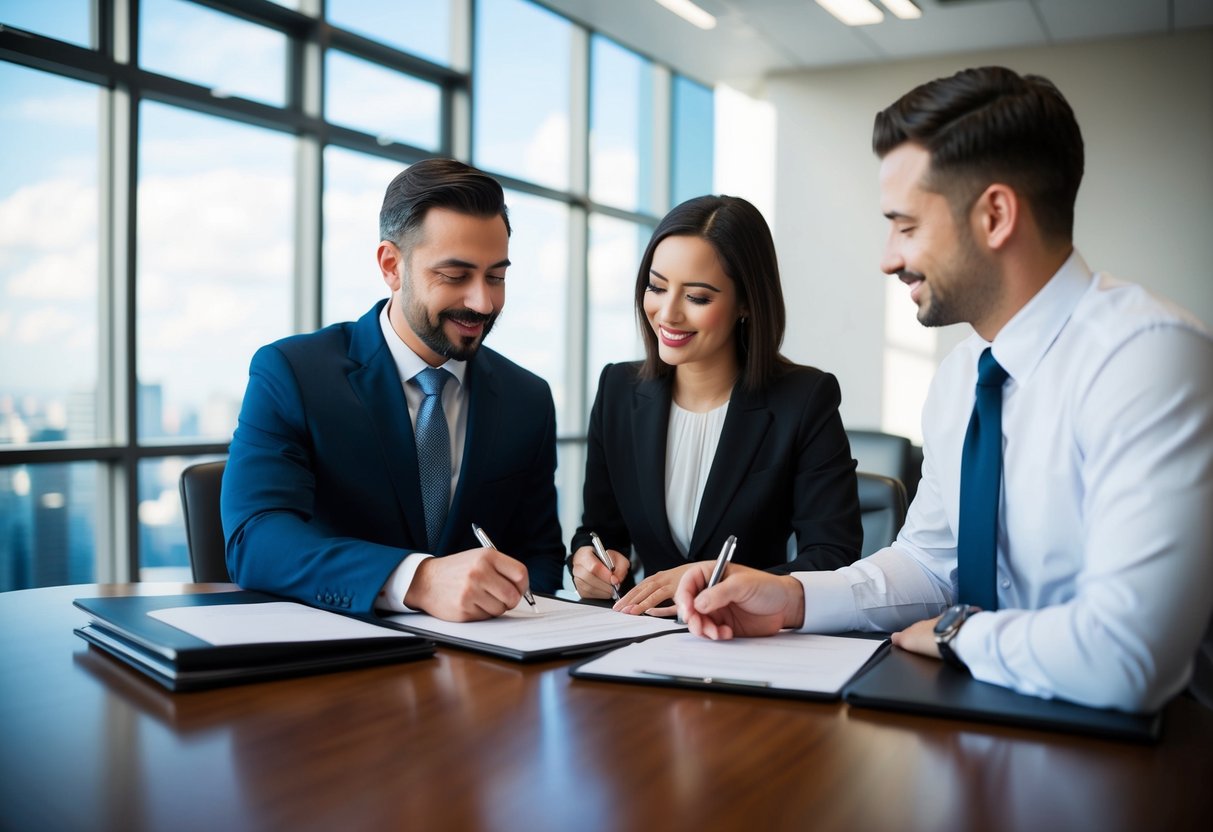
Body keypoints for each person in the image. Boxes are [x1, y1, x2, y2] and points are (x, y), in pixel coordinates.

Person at [674, 66, 1213, 713]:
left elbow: (1128, 653)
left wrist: (959, 633)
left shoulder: (1145, 356)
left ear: (993, 215)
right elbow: (931, 564)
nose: (886, 256)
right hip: (985, 723)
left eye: (904, 225)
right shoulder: (963, 375)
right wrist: (793, 599)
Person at [222, 159, 564, 622]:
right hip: (335, 663)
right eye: (455, 276)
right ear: (391, 266)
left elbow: (539, 557)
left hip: (486, 671)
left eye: (496, 276)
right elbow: (256, 539)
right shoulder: (293, 373)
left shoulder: (528, 399)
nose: (483, 302)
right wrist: (418, 580)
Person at [569, 195, 863, 615]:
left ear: (746, 303)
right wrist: (590, 562)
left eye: (698, 298)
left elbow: (833, 559)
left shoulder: (804, 400)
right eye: (656, 286)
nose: (667, 314)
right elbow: (599, 531)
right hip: (640, 640)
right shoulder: (618, 388)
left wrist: (718, 580)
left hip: (753, 643)